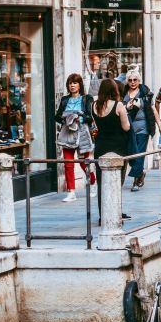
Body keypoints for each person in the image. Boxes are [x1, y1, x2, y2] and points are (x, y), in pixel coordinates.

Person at [92, 79, 131, 220]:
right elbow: (126, 127)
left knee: (101, 182)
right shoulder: (119, 105)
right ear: (114, 90)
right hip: (118, 146)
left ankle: (103, 215)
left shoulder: (94, 106)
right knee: (116, 182)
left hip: (101, 146)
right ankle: (115, 213)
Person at [55, 73, 97, 202]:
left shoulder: (87, 98)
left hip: (82, 131)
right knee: (68, 163)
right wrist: (66, 119)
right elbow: (57, 116)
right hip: (68, 132)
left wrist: (79, 118)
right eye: (70, 83)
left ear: (80, 85)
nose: (72, 85)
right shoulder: (64, 100)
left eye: (75, 83)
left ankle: (93, 183)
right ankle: (71, 192)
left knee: (85, 163)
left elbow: (91, 117)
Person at [122, 71, 157, 192]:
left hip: (143, 127)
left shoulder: (144, 92)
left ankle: (136, 182)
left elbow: (153, 109)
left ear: (139, 80)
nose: (132, 82)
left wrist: (160, 125)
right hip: (128, 127)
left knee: (140, 153)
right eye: (130, 80)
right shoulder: (123, 92)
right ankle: (140, 172)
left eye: (135, 80)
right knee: (131, 153)